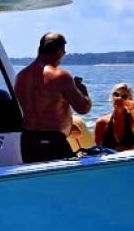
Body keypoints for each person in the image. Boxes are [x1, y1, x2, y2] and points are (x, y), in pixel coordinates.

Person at [14, 31, 91, 164]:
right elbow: (83, 108)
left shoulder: (21, 76)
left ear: (39, 49)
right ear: (60, 51)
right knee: (65, 182)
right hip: (52, 141)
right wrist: (83, 92)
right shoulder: (60, 76)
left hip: (27, 140)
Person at [94, 82, 134, 151]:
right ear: (111, 98)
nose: (119, 98)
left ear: (130, 100)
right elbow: (98, 149)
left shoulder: (133, 120)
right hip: (111, 160)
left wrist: (132, 107)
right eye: (116, 94)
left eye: (124, 96)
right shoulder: (101, 122)